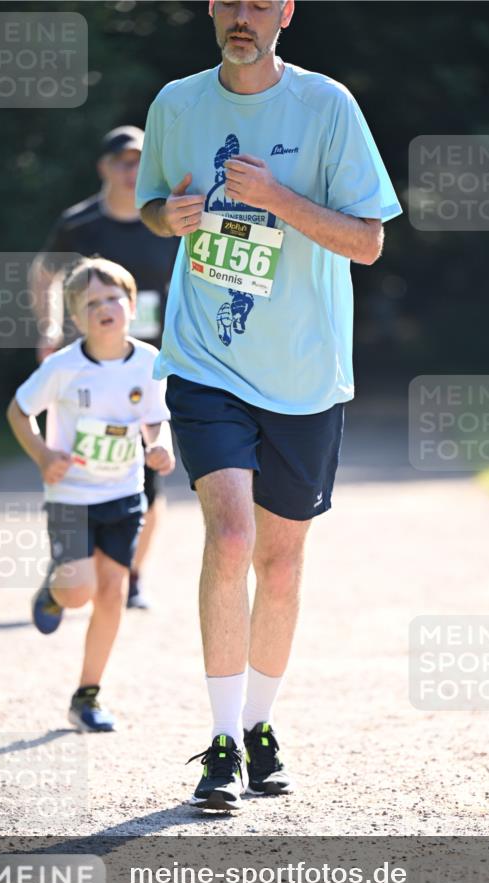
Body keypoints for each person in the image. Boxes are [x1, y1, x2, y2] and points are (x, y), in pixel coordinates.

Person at [136, 0, 402, 810]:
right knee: (231, 535)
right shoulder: (176, 103)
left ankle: (258, 726)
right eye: (229, 1)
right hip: (206, 360)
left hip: (303, 372)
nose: (241, 16)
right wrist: (166, 216)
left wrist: (278, 198)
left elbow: (367, 241)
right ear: (211, 8)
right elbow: (151, 204)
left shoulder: (326, 106)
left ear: (285, 11)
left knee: (279, 567)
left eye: (259, 2)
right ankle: (219, 741)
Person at [7, 258, 175, 732]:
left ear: (132, 304)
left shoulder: (148, 361)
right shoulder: (63, 367)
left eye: (113, 298)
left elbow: (156, 419)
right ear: (77, 318)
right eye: (91, 302)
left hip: (124, 495)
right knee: (77, 591)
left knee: (111, 593)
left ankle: (87, 695)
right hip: (71, 497)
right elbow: (19, 411)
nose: (104, 308)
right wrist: (43, 456)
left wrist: (159, 445)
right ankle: (54, 591)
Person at [31, 126, 179, 610]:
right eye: (123, 161)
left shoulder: (166, 218)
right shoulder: (81, 223)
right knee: (80, 466)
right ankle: (71, 565)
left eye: (140, 161)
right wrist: (50, 330)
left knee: (149, 476)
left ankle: (130, 576)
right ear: (104, 167)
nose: (132, 170)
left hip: (148, 362)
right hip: (89, 366)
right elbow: (44, 274)